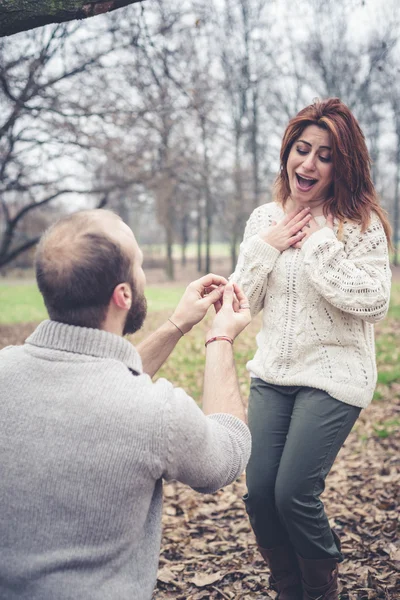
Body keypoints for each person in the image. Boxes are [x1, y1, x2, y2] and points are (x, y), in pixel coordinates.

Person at [0, 209, 252, 600]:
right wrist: (220, 339)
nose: (144, 274)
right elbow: (229, 453)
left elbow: (103, 378)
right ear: (123, 295)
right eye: (138, 264)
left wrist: (177, 325)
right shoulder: (157, 413)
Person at [230, 97, 392, 600]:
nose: (309, 164)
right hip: (273, 373)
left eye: (325, 155)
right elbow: (242, 299)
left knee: (294, 493)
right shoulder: (264, 219)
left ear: (343, 164)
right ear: (287, 153)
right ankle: (288, 588)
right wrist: (267, 246)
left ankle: (321, 591)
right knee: (259, 494)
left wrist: (320, 244)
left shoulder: (360, 226)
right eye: (302, 150)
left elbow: (373, 301)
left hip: (334, 376)